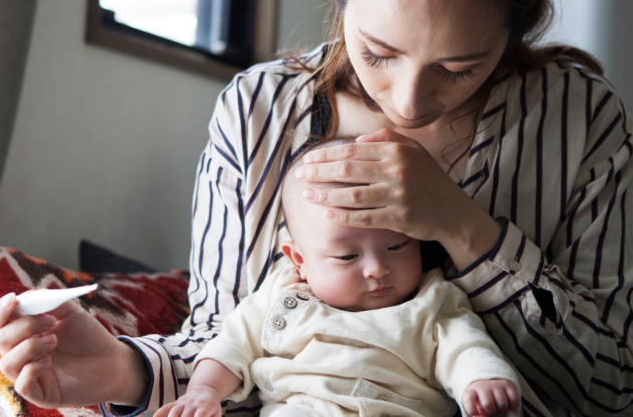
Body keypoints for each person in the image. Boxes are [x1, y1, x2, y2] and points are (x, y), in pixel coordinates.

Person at [0, 0, 632, 416]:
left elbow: (611, 392)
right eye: (378, 52)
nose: (407, 102)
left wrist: (465, 228)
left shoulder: (581, 123)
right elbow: (229, 343)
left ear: (517, 31)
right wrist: (121, 372)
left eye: (461, 68)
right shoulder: (258, 113)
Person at [153, 140, 521, 417]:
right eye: (347, 256)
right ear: (299, 260)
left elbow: (466, 346)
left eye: (397, 245)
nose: (377, 268)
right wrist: (203, 391)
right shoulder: (282, 293)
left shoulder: (433, 299)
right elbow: (232, 343)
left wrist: (482, 381)